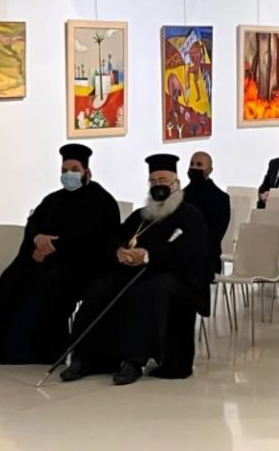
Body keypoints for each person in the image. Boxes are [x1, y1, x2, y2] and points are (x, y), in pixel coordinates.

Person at [60, 154, 212, 385]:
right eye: (153, 181)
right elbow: (116, 237)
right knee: (100, 288)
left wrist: (149, 256)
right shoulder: (142, 215)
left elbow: (191, 254)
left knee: (149, 290)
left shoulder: (190, 215)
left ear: (176, 184)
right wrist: (121, 252)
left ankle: (134, 361)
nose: (158, 185)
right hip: (135, 274)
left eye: (163, 180)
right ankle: (87, 358)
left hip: (176, 278)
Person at [0, 144, 120, 364]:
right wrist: (36, 241)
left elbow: (95, 237)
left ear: (87, 172)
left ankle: (47, 351)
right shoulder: (53, 199)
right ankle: (8, 349)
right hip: (46, 258)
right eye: (64, 170)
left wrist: (52, 247)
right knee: (11, 278)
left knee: (51, 280)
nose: (69, 174)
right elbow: (33, 224)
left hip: (83, 265)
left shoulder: (102, 201)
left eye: (74, 169)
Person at [183, 151, 231, 273]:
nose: (194, 168)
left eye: (199, 165)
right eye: (192, 164)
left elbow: (216, 234)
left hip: (206, 258)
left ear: (209, 170)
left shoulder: (220, 198)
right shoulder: (180, 196)